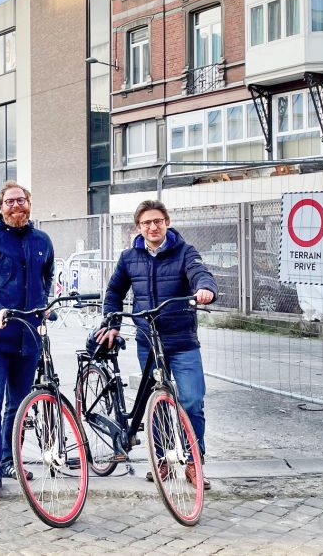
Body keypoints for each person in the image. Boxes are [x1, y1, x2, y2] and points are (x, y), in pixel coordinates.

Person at [95, 199, 217, 489]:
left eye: (158, 221)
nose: (153, 226)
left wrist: (205, 289)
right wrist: (111, 324)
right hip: (147, 342)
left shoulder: (185, 252)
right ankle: (161, 460)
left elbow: (201, 274)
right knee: (157, 403)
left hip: (181, 341)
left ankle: (193, 462)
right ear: (138, 227)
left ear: (167, 223)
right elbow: (114, 292)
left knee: (191, 401)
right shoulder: (129, 258)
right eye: (147, 222)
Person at [0, 181, 55, 497]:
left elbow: (46, 277)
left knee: (18, 405)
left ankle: (8, 460)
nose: (16, 206)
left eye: (21, 200)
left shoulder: (42, 241)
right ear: (0, 206)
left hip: (29, 337)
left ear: (29, 203)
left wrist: (45, 306)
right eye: (9, 201)